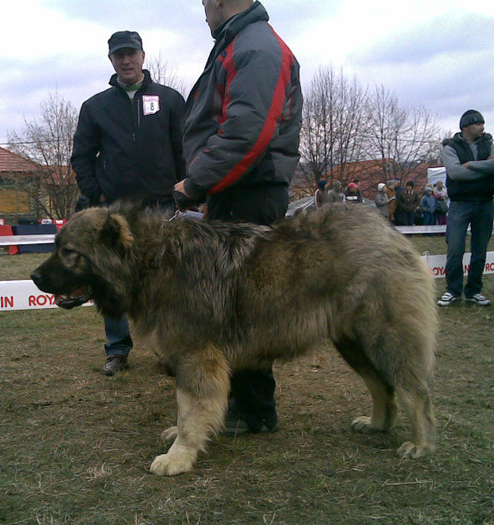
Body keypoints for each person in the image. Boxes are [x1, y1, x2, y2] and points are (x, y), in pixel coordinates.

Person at [173, 0, 302, 436]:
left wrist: (194, 184)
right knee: (232, 307)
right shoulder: (240, 44)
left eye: (204, 2)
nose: (202, 10)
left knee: (243, 309)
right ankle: (241, 406)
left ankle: (254, 410)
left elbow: (247, 132)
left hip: (249, 194)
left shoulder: (255, 48)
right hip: (235, 192)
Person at [70, 30, 186, 375]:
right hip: (115, 211)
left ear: (142, 57)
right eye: (118, 55)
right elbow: (82, 157)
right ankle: (117, 350)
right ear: (111, 61)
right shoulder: (95, 107)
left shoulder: (170, 100)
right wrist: (98, 195)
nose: (125, 60)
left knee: (166, 281)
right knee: (111, 278)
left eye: (130, 54)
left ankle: (168, 351)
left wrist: (185, 191)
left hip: (162, 207)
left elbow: (183, 149)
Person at [437, 109, 494, 307]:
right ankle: (453, 290)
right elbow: (455, 173)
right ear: (466, 127)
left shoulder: (489, 143)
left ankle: (474, 291)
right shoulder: (450, 147)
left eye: (483, 123)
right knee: (455, 248)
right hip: (460, 204)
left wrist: (470, 165)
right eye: (478, 124)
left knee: (479, 250)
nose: (483, 127)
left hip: (484, 203)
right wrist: (485, 169)